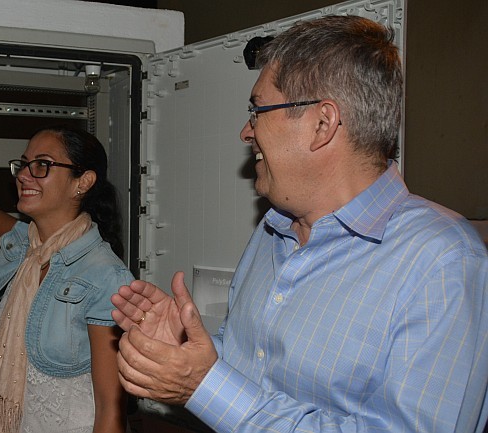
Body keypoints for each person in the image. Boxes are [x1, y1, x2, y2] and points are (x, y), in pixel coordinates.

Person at [111, 15, 488, 433]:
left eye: (257, 111)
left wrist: (202, 384)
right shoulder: (272, 232)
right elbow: (247, 375)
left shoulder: (442, 261)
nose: (245, 132)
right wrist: (182, 350)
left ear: (322, 124)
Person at [0, 91, 132, 433]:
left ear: (83, 182)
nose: (24, 175)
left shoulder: (106, 276)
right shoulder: (24, 244)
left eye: (42, 165)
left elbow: (110, 410)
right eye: (24, 164)